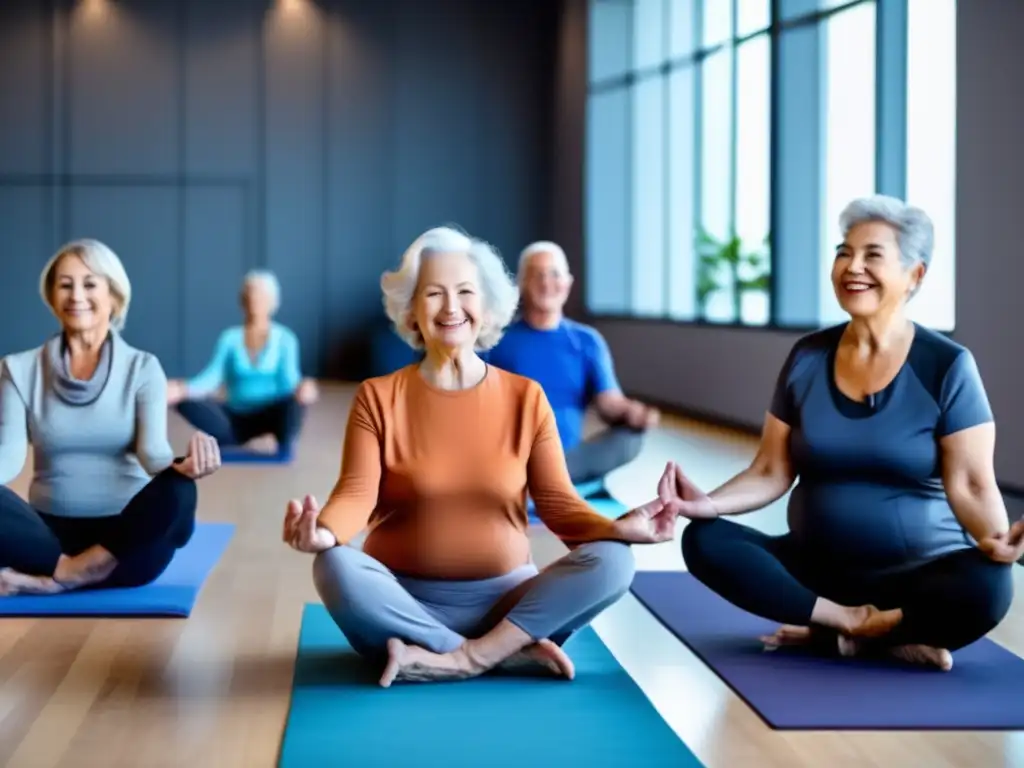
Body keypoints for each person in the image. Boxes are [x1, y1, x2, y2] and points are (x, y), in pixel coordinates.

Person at [282, 226, 677, 687]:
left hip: (511, 603)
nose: (451, 308)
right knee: (334, 564)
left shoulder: (526, 397)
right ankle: (498, 654)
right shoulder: (378, 396)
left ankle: (456, 658)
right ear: (411, 312)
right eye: (433, 294)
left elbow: (559, 506)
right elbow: (355, 493)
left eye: (465, 292)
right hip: (402, 601)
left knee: (616, 562)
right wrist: (324, 532)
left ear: (487, 306)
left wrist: (615, 529)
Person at [664, 195, 1019, 671]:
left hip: (917, 577)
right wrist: (705, 504)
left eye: (873, 255)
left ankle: (868, 634)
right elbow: (770, 469)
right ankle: (846, 623)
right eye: (843, 252)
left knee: (991, 584)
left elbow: (971, 483)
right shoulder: (808, 356)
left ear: (915, 275)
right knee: (704, 540)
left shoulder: (947, 365)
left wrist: (994, 538)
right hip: (817, 575)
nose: (853, 267)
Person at [0, 239, 222, 596]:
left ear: (114, 297)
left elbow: (153, 455)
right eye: (65, 284)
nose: (76, 295)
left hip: (125, 543)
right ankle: (67, 571)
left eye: (89, 284)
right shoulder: (17, 369)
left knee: (180, 489)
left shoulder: (143, 368)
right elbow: (7, 458)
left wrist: (184, 466)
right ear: (52, 296)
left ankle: (76, 573)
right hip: (46, 542)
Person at [485, 241, 658, 486]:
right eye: (537, 274)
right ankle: (532, 480)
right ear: (522, 283)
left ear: (568, 283)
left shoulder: (587, 341)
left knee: (631, 438)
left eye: (555, 274)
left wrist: (631, 412)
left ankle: (545, 479)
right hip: (511, 452)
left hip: (567, 459)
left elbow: (608, 402)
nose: (546, 282)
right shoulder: (496, 339)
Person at [167, 270, 318, 457]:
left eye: (260, 295)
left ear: (272, 302)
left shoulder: (286, 339)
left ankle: (280, 441)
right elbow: (211, 378)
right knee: (185, 400)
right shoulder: (229, 338)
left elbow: (290, 381)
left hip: (272, 414)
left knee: (295, 403)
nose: (254, 300)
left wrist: (303, 388)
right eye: (250, 295)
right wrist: (181, 389)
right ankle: (232, 439)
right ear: (242, 301)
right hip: (234, 417)